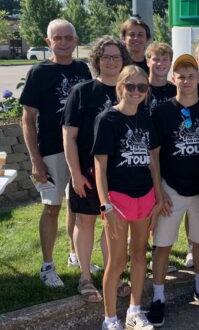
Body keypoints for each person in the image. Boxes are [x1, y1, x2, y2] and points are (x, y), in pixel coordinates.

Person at [147, 54, 199, 327]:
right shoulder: (162, 111)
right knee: (163, 244)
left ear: (198, 78)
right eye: (181, 76)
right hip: (171, 188)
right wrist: (158, 192)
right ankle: (157, 296)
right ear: (173, 79)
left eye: (191, 75)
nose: (187, 80)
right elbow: (153, 156)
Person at [20, 18, 92, 288]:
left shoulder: (83, 69)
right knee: (52, 208)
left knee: (77, 204)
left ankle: (75, 255)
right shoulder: (39, 72)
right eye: (57, 38)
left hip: (78, 149)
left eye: (68, 38)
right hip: (50, 150)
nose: (63, 43)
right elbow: (27, 118)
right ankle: (47, 265)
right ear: (47, 41)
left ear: (75, 41)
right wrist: (35, 159)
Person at [93, 65, 163, 330]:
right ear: (120, 87)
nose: (136, 92)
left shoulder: (145, 119)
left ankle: (135, 310)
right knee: (117, 259)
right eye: (130, 86)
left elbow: (153, 160)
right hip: (118, 199)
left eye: (141, 87)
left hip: (144, 196)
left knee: (138, 254)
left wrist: (158, 196)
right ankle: (109, 318)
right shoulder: (107, 119)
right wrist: (105, 205)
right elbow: (99, 164)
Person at [63, 35, 129, 303]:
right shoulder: (82, 91)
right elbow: (68, 136)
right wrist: (76, 173)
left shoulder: (130, 90)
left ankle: (112, 276)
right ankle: (86, 277)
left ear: (123, 60)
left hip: (120, 173)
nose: (111, 62)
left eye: (115, 57)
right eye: (106, 57)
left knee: (113, 226)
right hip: (88, 172)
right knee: (85, 221)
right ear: (97, 60)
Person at [145, 42, 176, 115]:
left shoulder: (177, 92)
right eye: (156, 59)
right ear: (148, 62)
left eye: (165, 59)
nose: (160, 63)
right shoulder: (139, 89)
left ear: (170, 63)